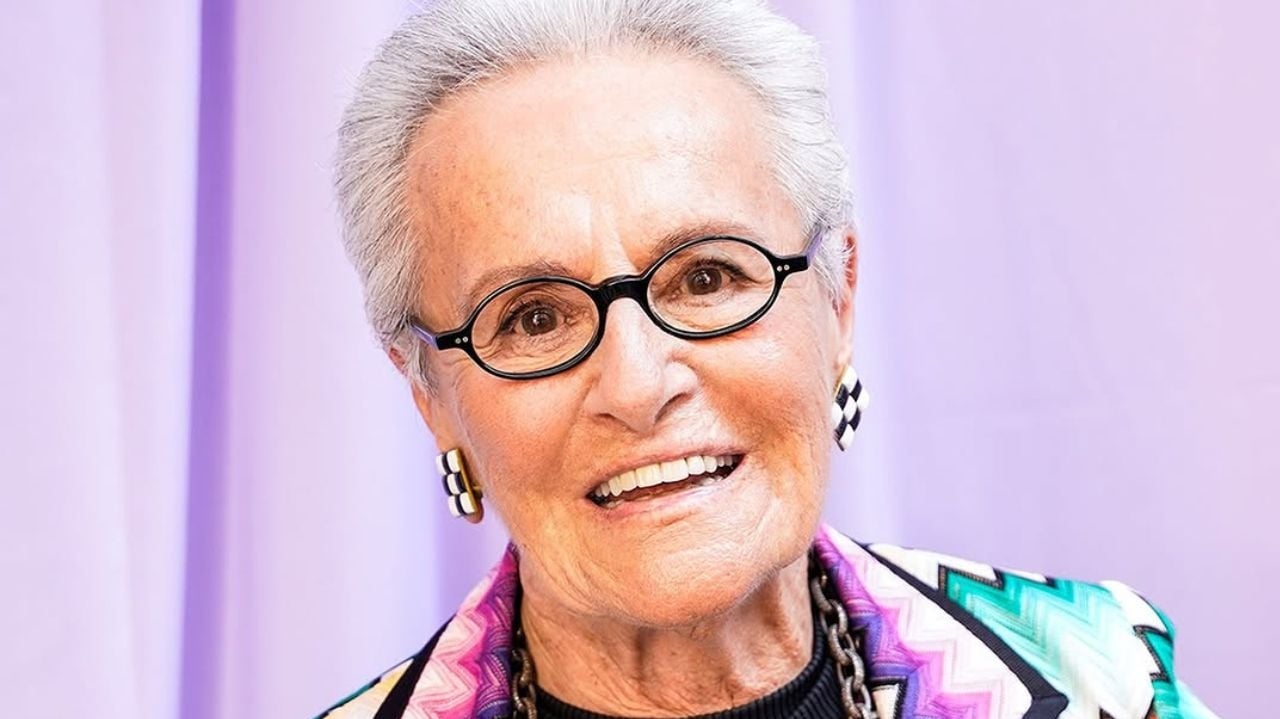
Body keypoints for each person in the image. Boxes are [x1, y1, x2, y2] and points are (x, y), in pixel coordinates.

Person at [320, 1, 1217, 717]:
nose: (638, 384)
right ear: (430, 391)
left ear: (838, 299)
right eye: (535, 317)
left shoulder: (1103, 676)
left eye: (706, 276)